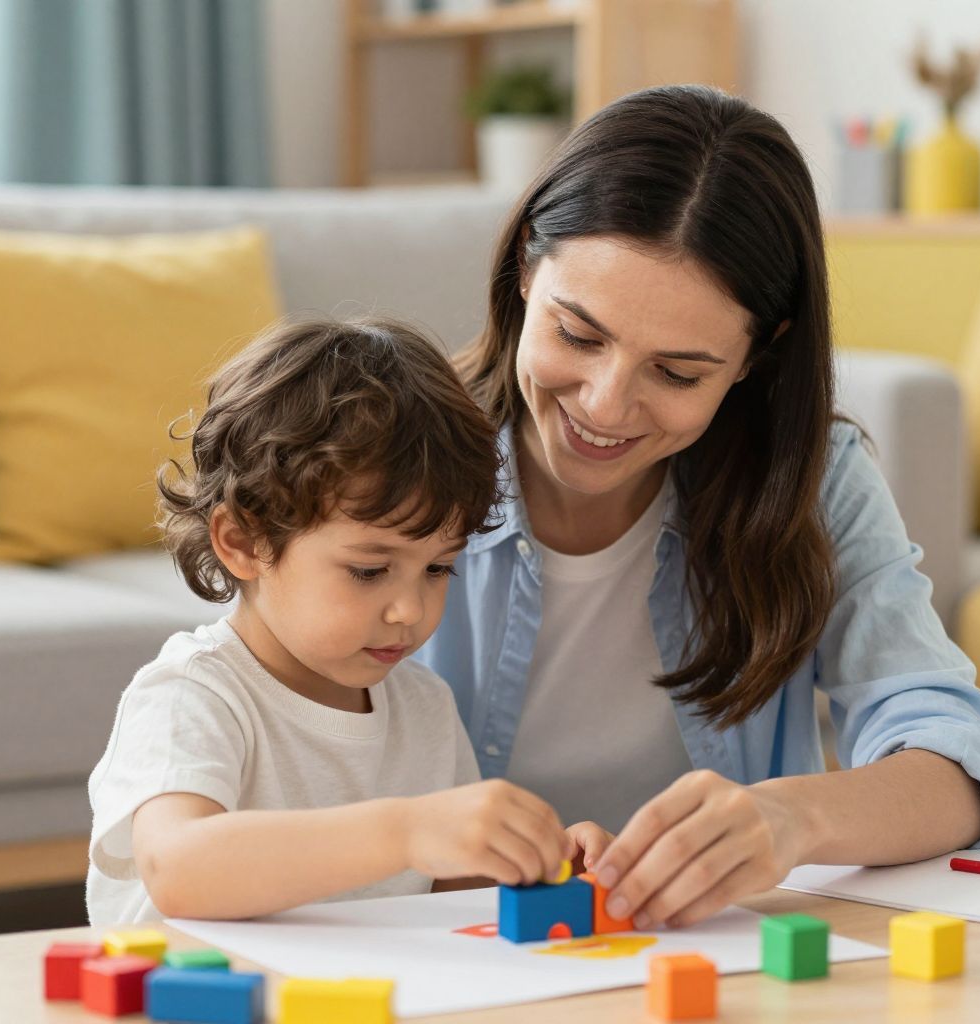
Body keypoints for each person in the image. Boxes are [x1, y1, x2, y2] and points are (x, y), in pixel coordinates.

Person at [418, 85, 980, 932]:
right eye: (578, 335)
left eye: (677, 372)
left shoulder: (810, 481)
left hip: (715, 962)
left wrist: (792, 818)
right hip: (439, 959)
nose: (605, 403)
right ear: (526, 269)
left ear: (754, 358)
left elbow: (960, 760)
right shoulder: (394, 454)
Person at [85, 315, 607, 926]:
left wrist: (541, 863)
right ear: (244, 541)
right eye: (368, 571)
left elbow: (450, 890)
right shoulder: (192, 696)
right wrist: (405, 831)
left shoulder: (423, 706)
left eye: (438, 569)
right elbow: (180, 871)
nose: (410, 610)